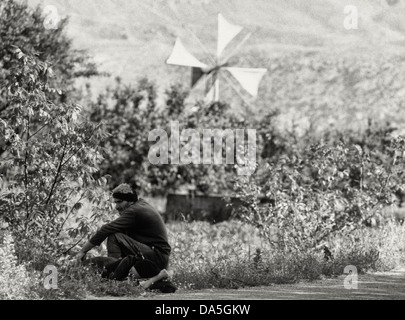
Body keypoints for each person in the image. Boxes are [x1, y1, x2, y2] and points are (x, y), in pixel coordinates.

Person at [75, 184, 174, 289]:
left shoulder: (134, 211)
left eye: (120, 202)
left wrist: (83, 251)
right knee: (118, 233)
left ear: (130, 201)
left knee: (114, 235)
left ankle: (114, 274)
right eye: (115, 202)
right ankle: (117, 272)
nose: (116, 206)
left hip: (157, 257)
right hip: (158, 256)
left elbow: (106, 229)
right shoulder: (140, 204)